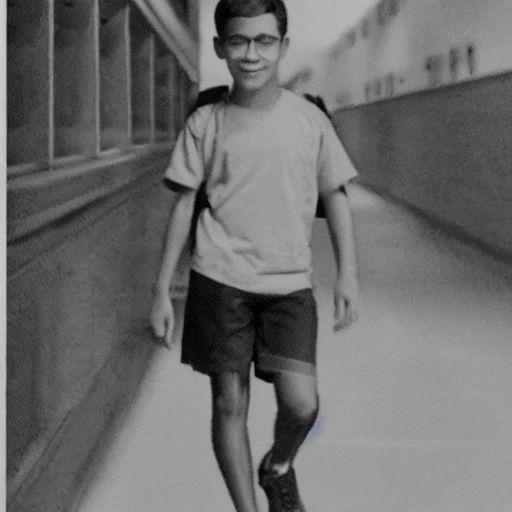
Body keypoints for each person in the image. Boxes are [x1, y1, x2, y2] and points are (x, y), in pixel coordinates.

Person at [149, 1, 359, 510]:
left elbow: (336, 196)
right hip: (219, 279)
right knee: (229, 402)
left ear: (283, 47)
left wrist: (349, 275)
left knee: (301, 404)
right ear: (220, 47)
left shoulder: (310, 121)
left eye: (264, 41)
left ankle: (278, 465)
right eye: (239, 41)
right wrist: (161, 289)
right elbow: (183, 206)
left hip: (288, 285)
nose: (251, 54)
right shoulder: (206, 122)